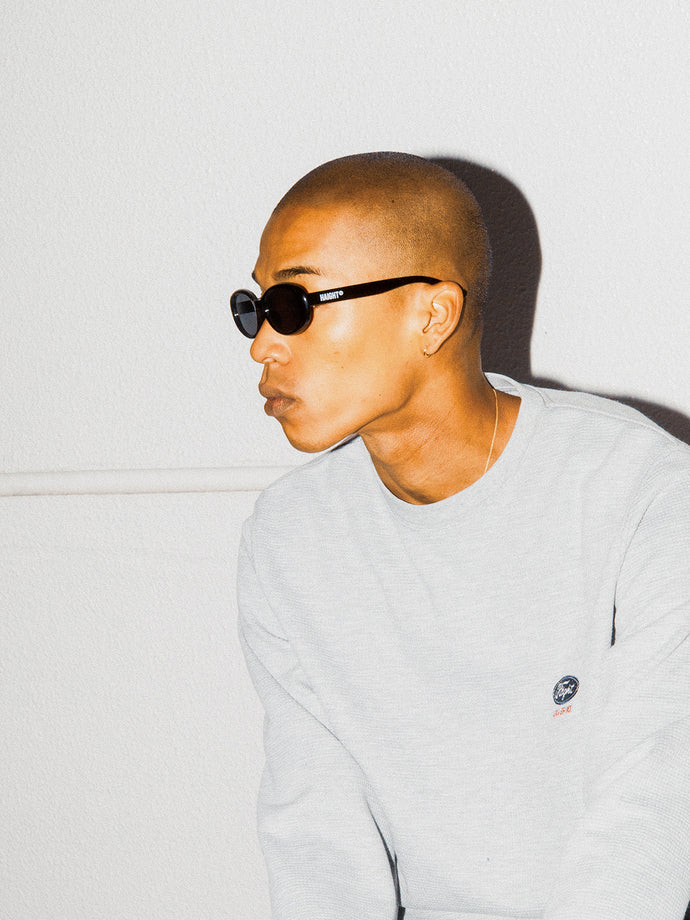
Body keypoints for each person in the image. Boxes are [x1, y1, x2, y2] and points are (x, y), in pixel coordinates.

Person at [232, 152, 690, 920]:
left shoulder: (641, 491)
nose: (262, 345)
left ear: (433, 315)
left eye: (294, 304)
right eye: (254, 309)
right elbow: (318, 837)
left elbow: (652, 807)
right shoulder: (290, 538)